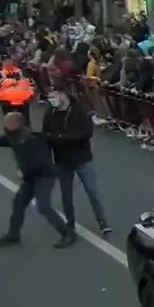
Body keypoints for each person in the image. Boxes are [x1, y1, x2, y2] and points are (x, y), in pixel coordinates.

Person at [0, 111, 78, 248]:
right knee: (18, 202)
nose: (4, 125)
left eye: (7, 123)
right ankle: (13, 234)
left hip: (44, 176)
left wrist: (23, 171)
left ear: (16, 124)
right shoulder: (15, 136)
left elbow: (39, 162)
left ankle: (67, 233)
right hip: (31, 176)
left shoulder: (31, 139)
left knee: (43, 206)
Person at [40, 86, 110, 237]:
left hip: (82, 158)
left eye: (53, 95)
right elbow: (45, 136)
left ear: (63, 94)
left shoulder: (79, 111)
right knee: (66, 195)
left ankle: (102, 221)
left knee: (92, 191)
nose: (51, 99)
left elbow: (86, 133)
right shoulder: (50, 114)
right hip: (62, 160)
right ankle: (70, 223)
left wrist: (59, 138)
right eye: (49, 97)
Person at [0, 59, 36, 125]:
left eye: (10, 63)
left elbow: (30, 82)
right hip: (7, 101)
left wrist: (31, 93)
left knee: (25, 121)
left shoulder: (20, 72)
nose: (8, 64)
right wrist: (12, 81)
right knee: (10, 120)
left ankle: (27, 130)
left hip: (22, 100)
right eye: (6, 63)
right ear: (3, 64)